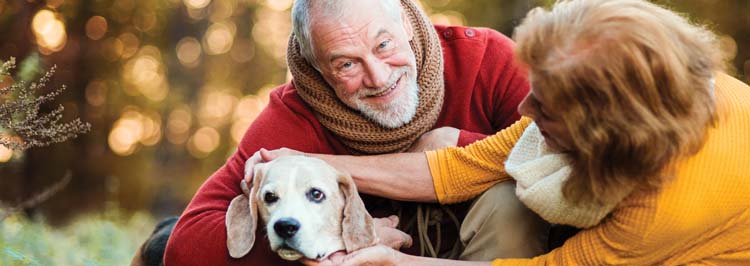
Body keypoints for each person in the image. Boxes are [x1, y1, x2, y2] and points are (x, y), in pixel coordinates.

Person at [250, 0, 750, 265]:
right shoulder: (668, 89)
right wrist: (313, 164)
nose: (524, 108)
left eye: (546, 112)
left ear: (604, 137)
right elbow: (463, 167)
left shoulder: (662, 210)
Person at [163, 0, 546, 265]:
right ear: (317, 69)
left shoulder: (488, 61)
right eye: (347, 64)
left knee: (510, 200)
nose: (379, 78)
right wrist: (337, 239)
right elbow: (186, 248)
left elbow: (569, 159)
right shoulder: (295, 115)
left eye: (383, 44)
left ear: (402, 17)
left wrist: (455, 150)